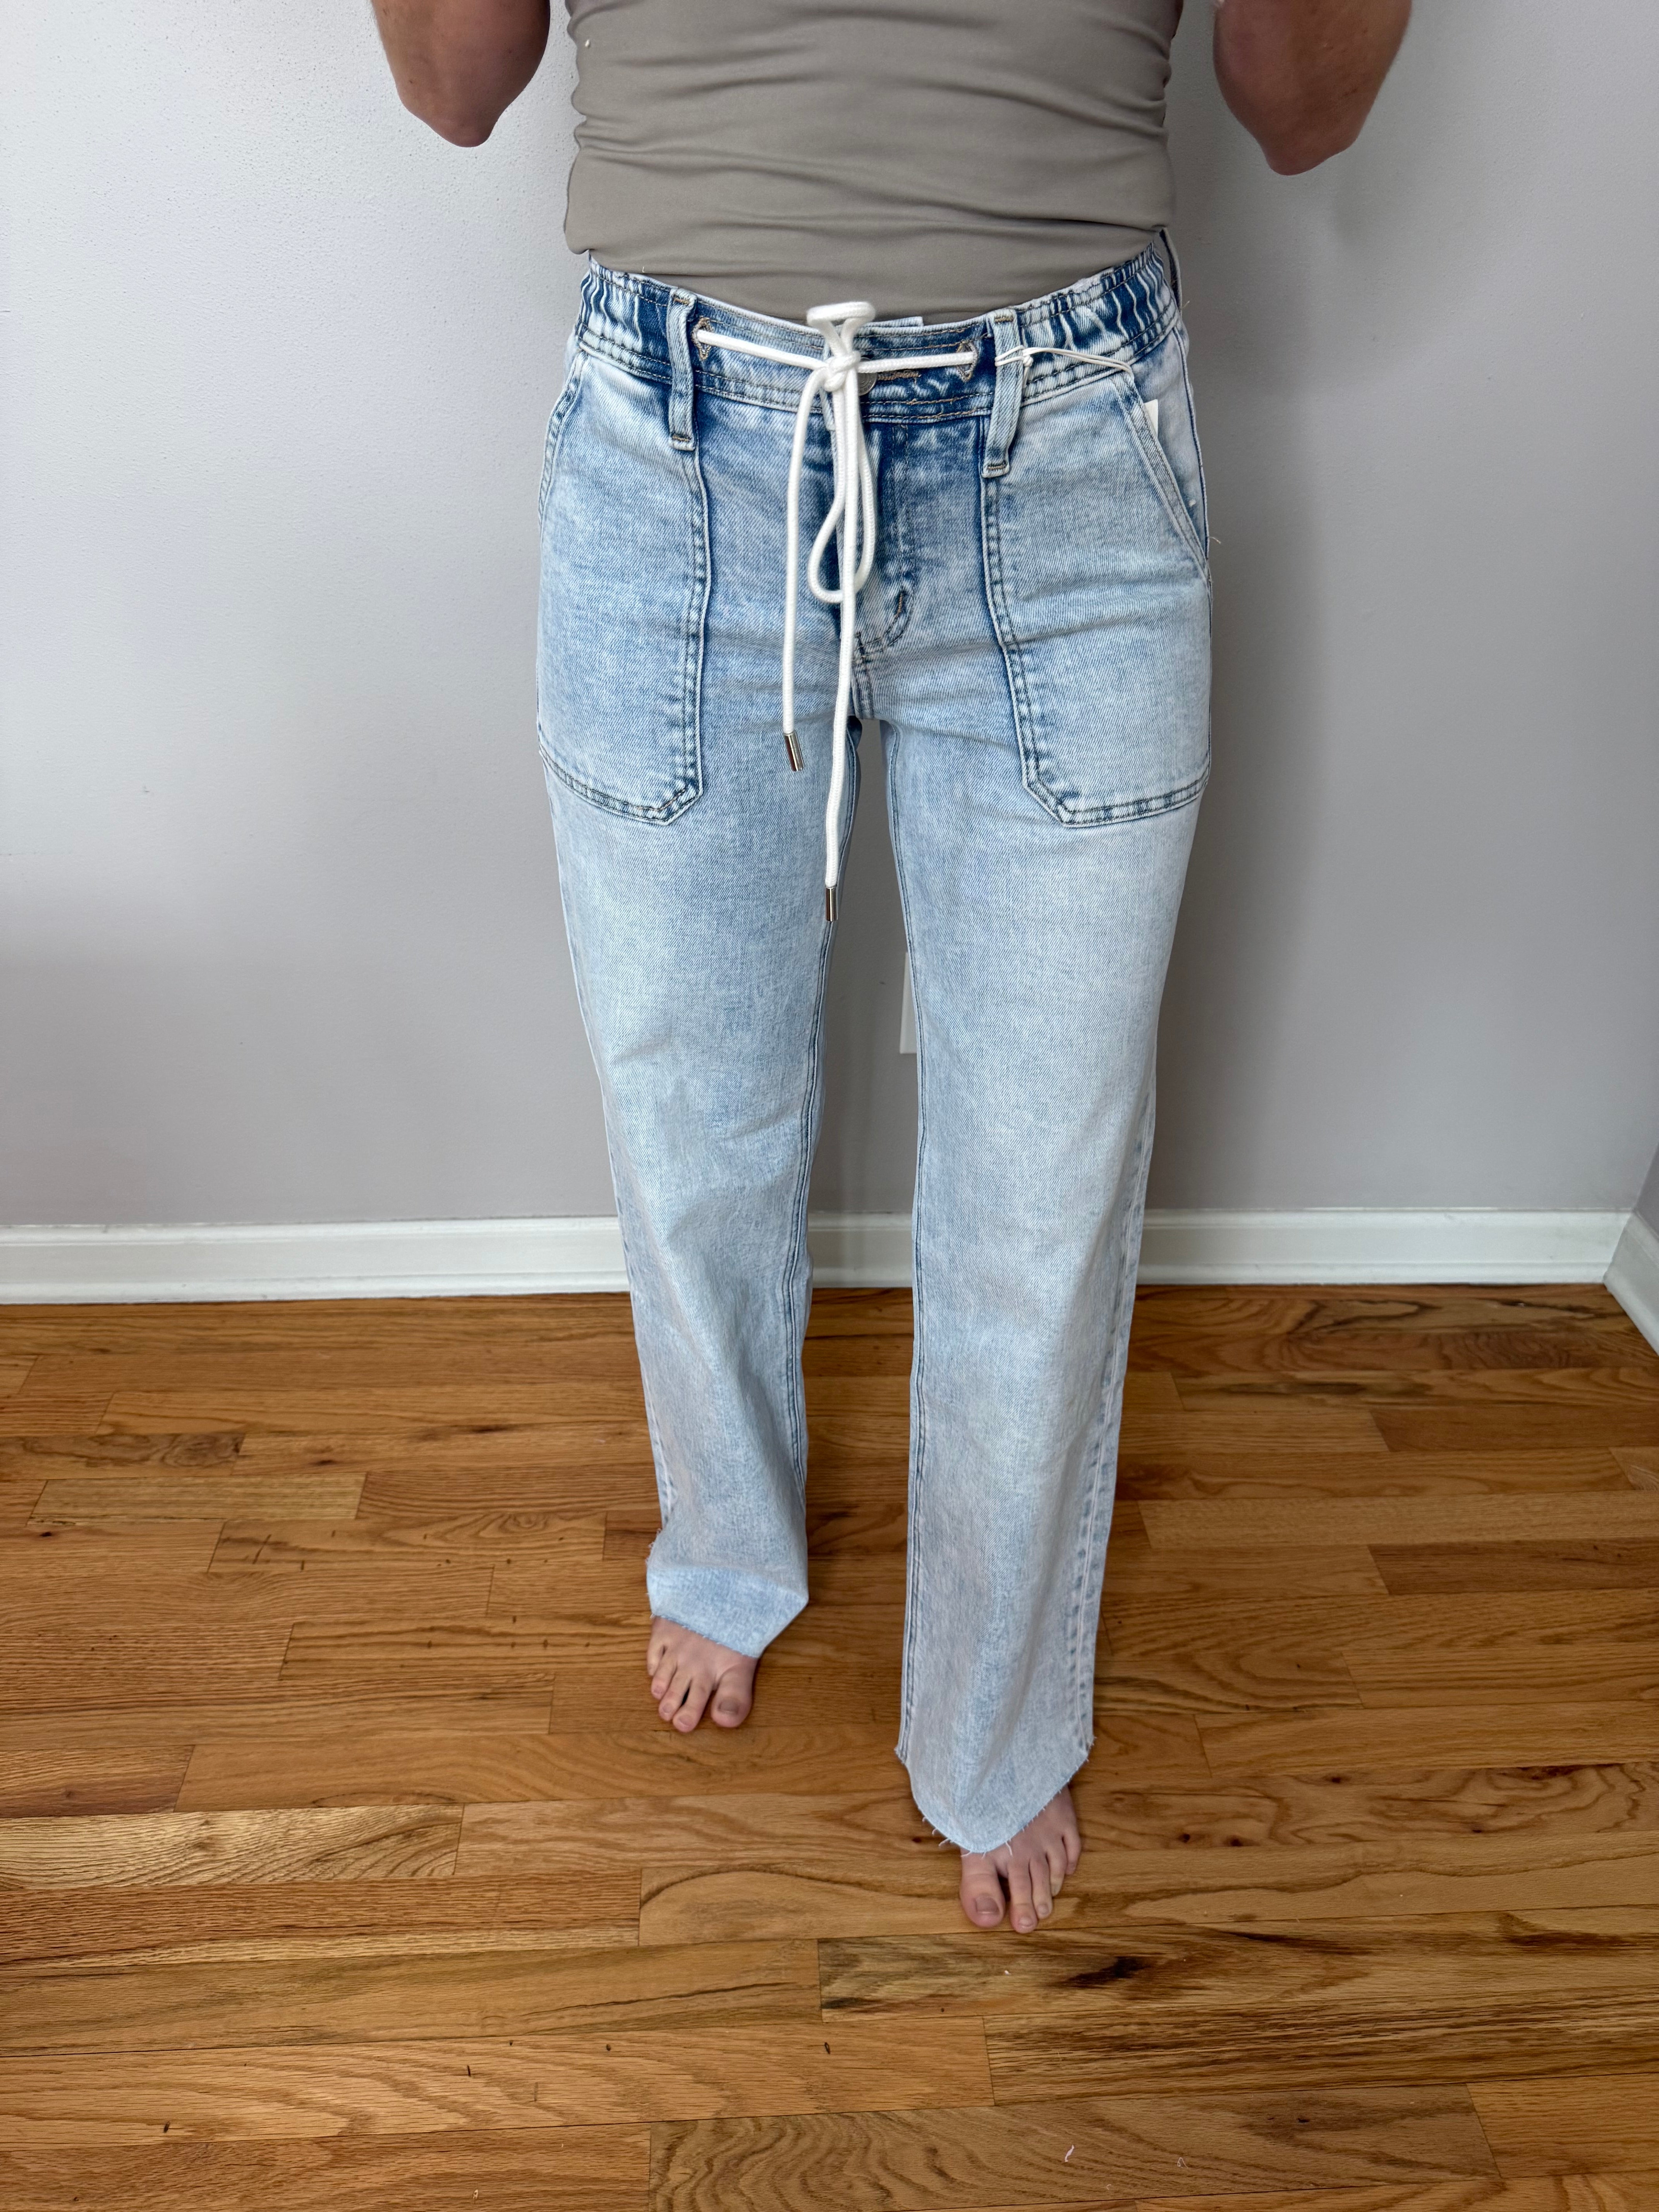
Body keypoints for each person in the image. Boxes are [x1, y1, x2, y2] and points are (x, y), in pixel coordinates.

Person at [369, 0, 1408, 1934]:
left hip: (1071, 451)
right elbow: (452, 85)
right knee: (691, 1114)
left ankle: (994, 1720)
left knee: (1042, 1183)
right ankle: (727, 1548)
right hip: (679, 447)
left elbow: (1302, 107)